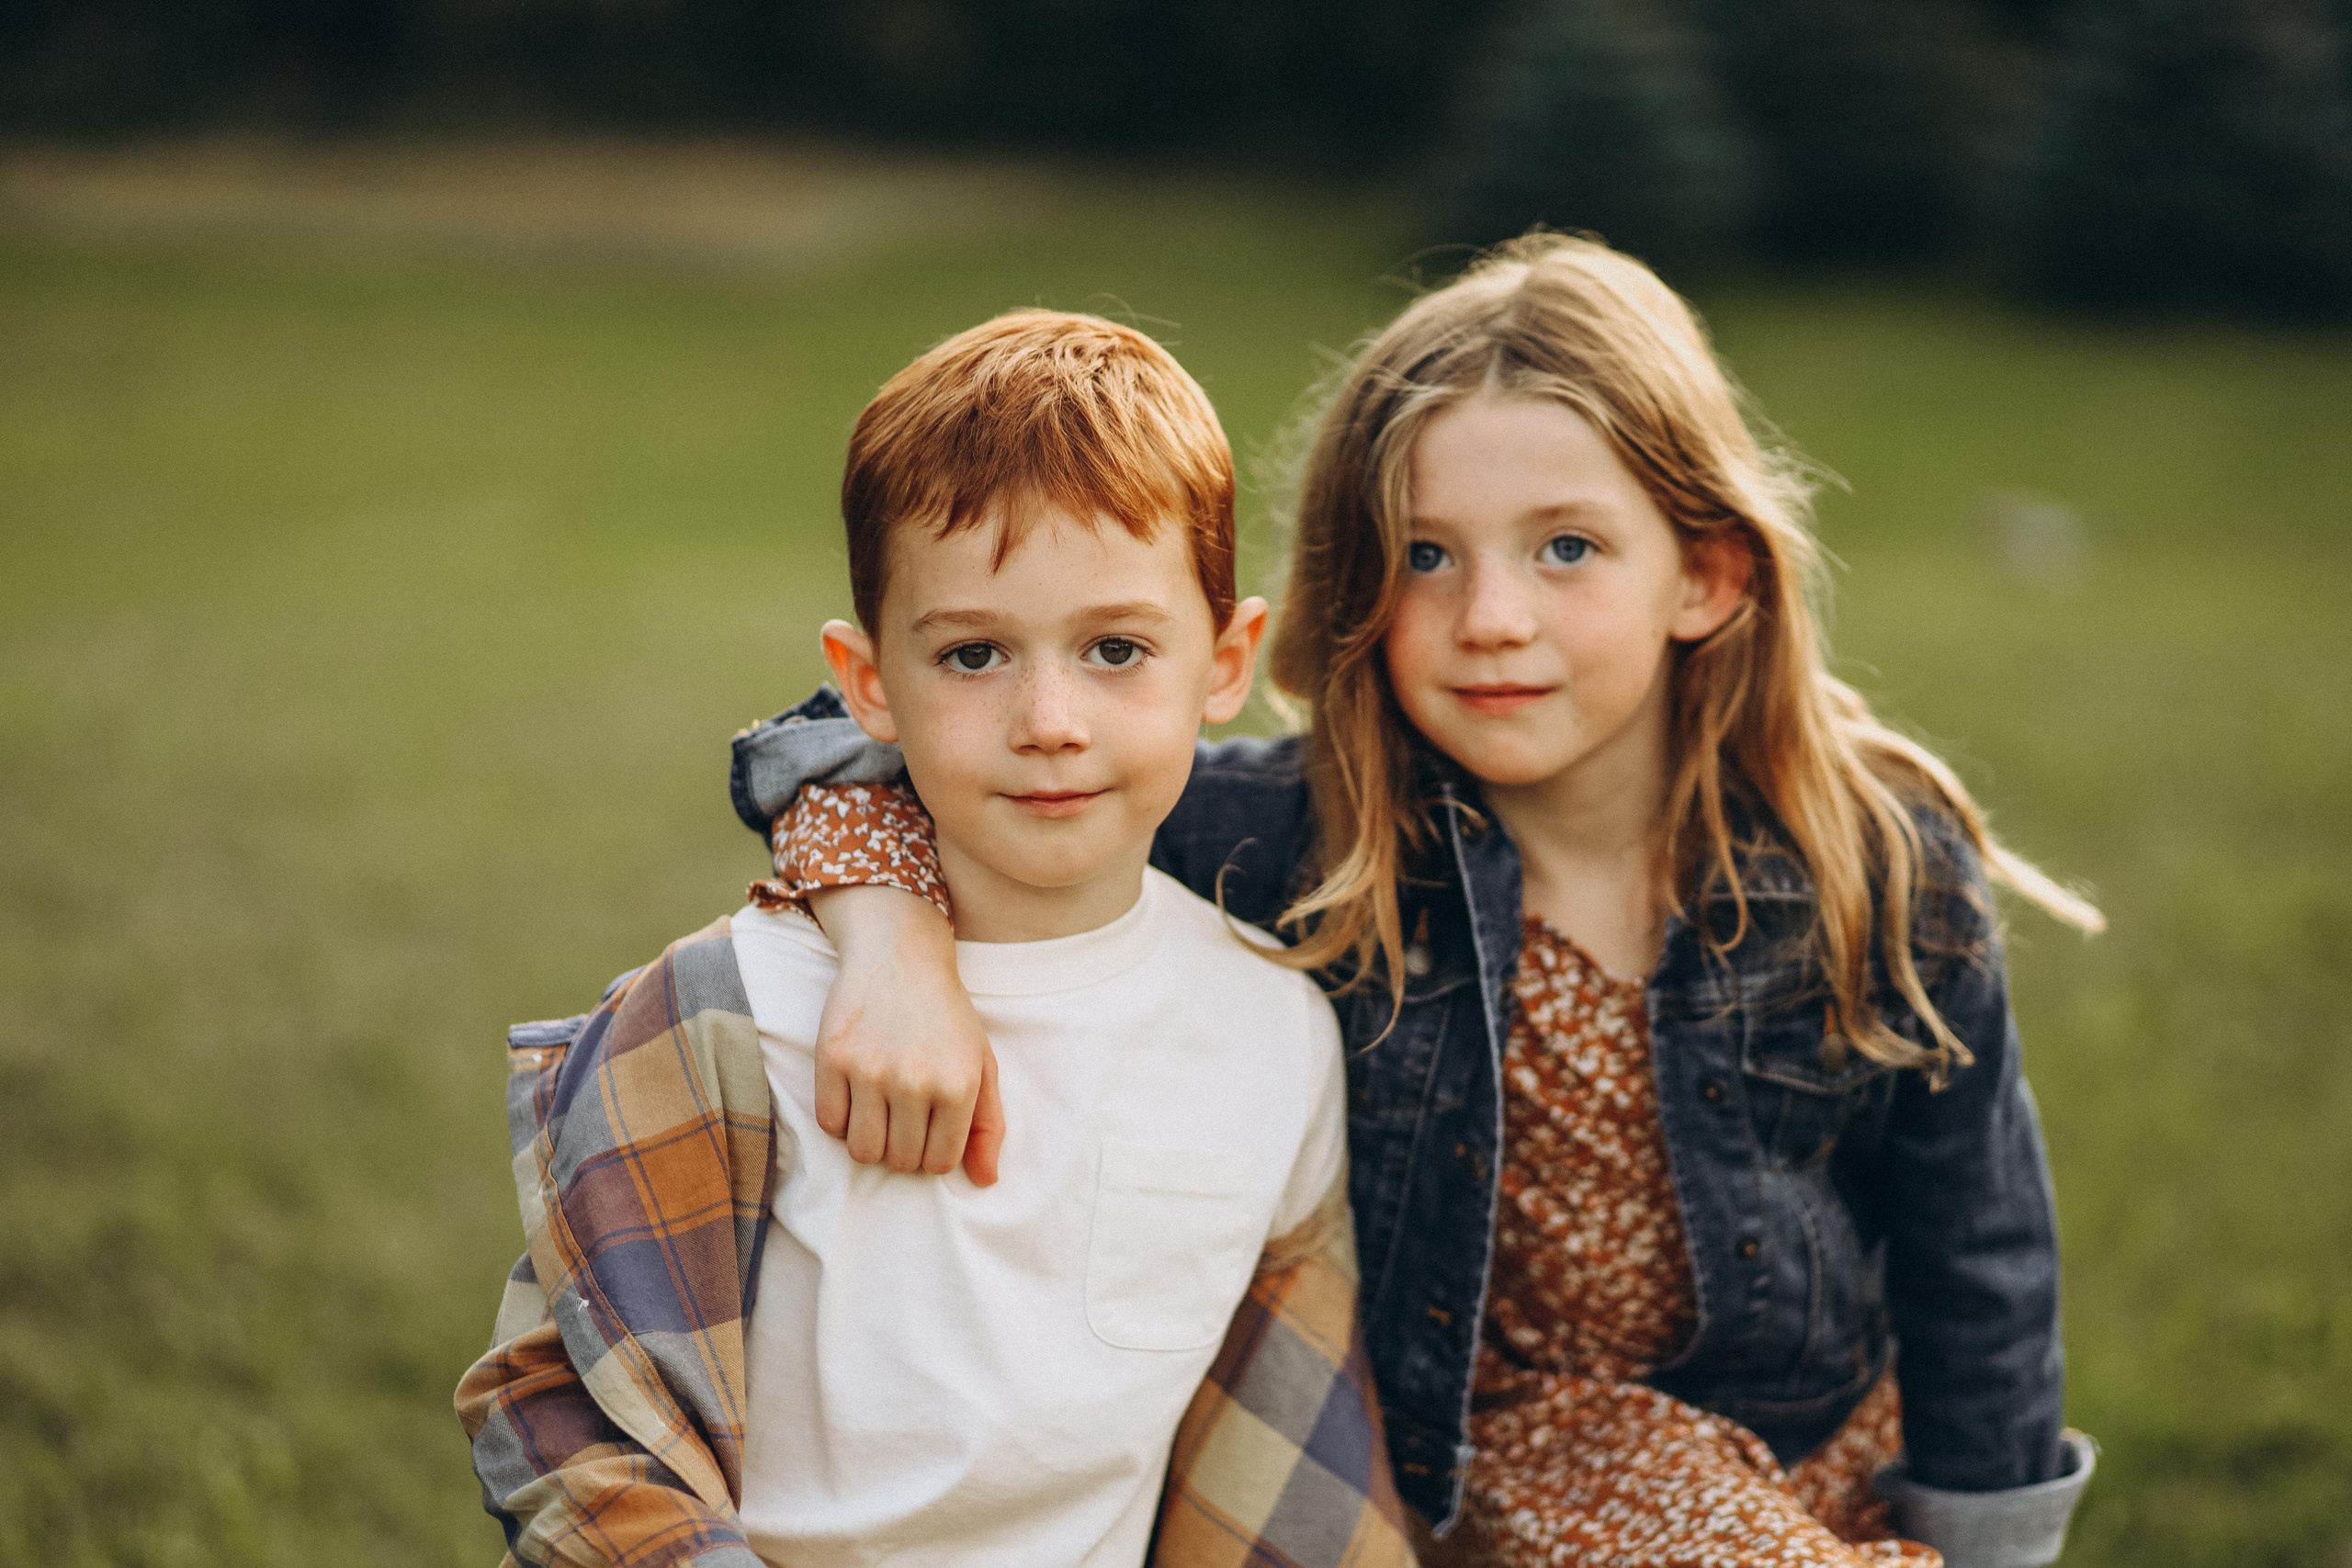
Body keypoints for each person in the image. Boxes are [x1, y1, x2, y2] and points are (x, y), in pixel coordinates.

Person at [727, 235, 2102, 1568]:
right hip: (1497, 1467)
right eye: (1428, 556)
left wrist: (1986, 1533)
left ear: (1708, 572)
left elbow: (1981, 1250)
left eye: (1565, 549)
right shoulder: (1305, 832)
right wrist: (892, 934)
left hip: (1820, 1443)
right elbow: (848, 740)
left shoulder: (1878, 856)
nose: (1491, 616)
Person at [456, 310, 1415, 1568]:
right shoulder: (728, 1011)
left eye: (1117, 649)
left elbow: (1279, 1467)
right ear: (867, 684)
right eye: (973, 655)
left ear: (1227, 659)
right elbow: (567, 1416)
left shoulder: (1276, 1029)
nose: (1050, 719)